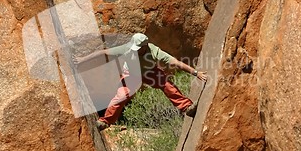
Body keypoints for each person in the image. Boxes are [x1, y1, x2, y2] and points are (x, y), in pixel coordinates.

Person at [74, 33, 207, 131]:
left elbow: (176, 63)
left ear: (145, 46)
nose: (135, 50)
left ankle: (187, 108)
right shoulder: (127, 48)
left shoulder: (154, 51)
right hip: (131, 75)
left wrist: (195, 73)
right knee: (121, 95)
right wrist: (82, 59)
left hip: (150, 72)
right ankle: (104, 122)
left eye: (138, 48)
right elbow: (103, 52)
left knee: (167, 85)